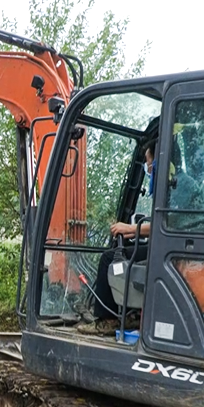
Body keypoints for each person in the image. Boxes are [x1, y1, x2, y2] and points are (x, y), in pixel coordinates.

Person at [78, 140, 155, 335]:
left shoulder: (177, 187)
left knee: (109, 259)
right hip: (174, 247)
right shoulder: (181, 185)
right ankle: (133, 314)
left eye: (148, 161)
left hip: (168, 251)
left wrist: (130, 227)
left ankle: (109, 319)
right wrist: (134, 231)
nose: (147, 167)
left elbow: (166, 226)